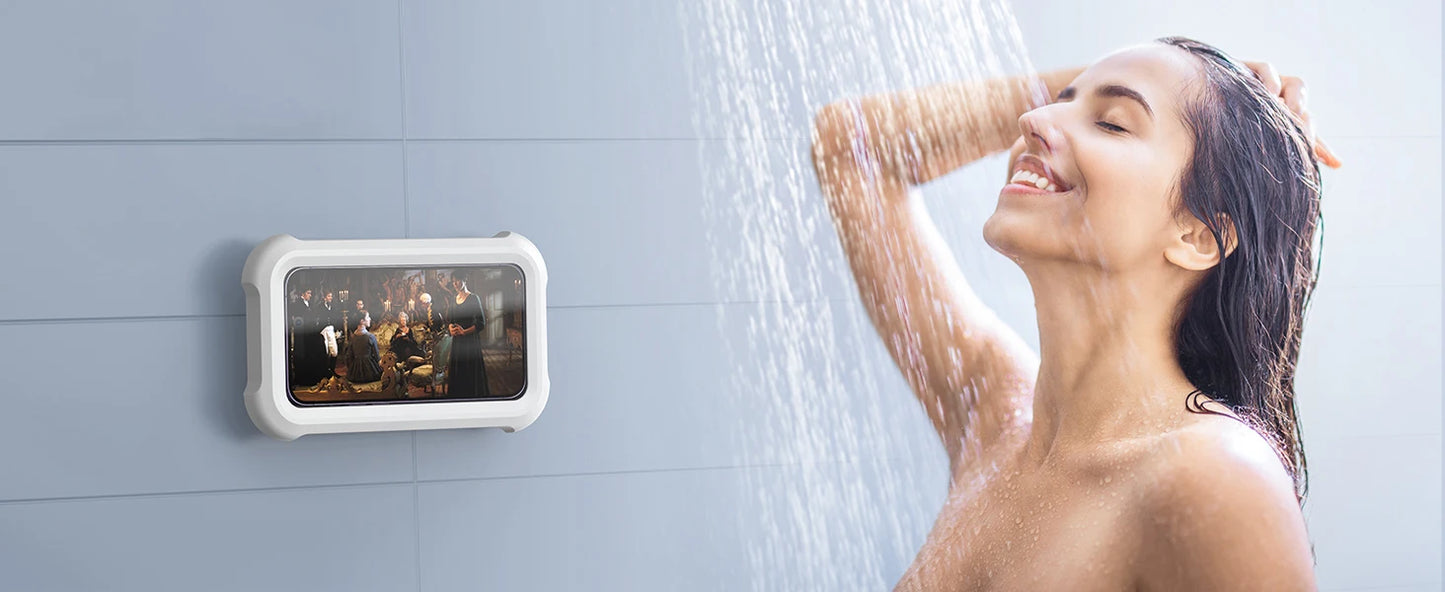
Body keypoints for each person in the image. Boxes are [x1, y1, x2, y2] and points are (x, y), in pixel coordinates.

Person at [811, 36, 1341, 591]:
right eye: (1057, 101)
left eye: (1112, 123)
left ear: (1198, 234)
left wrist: (1191, 77)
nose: (1032, 117)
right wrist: (1156, 67)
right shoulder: (996, 424)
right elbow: (850, 144)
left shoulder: (1213, 477)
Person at [445, 275, 491, 398]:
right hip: (457, 343)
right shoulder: (452, 299)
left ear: (465, 280)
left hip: (470, 342)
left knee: (470, 373)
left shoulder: (474, 298)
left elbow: (481, 323)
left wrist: (464, 332)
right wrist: (450, 328)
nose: (455, 284)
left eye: (458, 280)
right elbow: (450, 320)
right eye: (453, 282)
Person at [343, 311, 382, 383]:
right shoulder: (370, 337)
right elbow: (377, 356)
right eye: (368, 317)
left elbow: (349, 356)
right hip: (370, 370)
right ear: (362, 321)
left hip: (355, 371)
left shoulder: (352, 337)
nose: (370, 319)